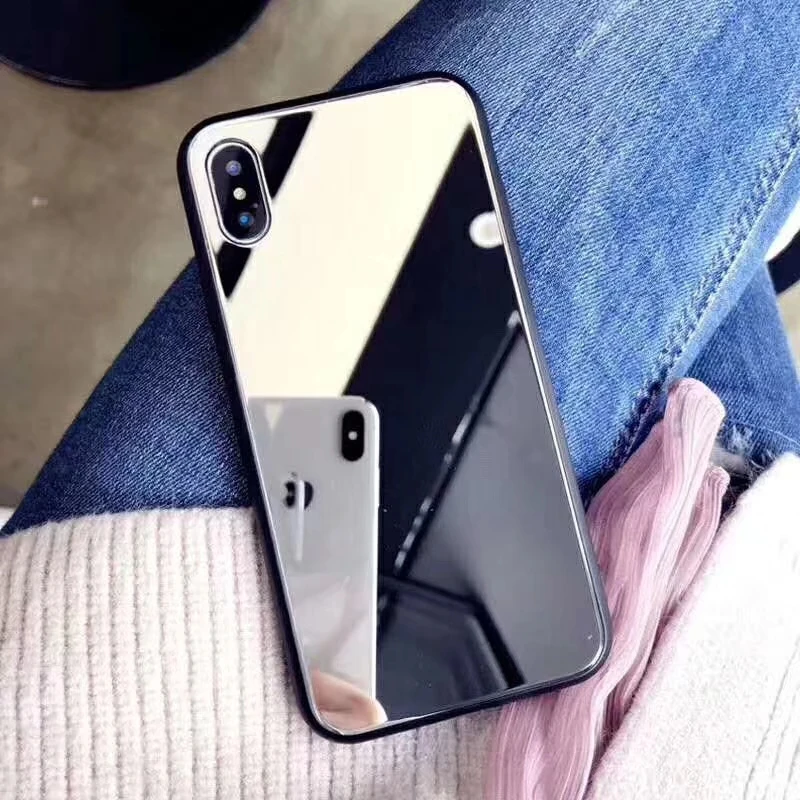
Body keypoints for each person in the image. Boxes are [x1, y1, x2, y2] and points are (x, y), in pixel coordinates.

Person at [2, 0, 800, 797]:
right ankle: (753, 230)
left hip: (158, 671)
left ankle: (750, 228)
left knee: (691, 186)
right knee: (713, 157)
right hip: (757, 632)